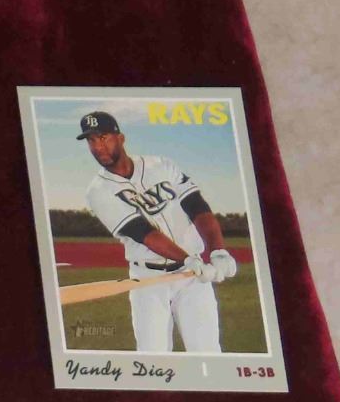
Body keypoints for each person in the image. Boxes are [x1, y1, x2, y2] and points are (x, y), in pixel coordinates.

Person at [78, 111, 238, 352]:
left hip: (192, 278)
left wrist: (218, 250)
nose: (97, 147)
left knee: (208, 352)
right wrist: (186, 258)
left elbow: (197, 207)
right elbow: (144, 233)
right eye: (91, 140)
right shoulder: (98, 192)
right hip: (147, 281)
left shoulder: (161, 165)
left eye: (103, 137)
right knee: (154, 359)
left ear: (120, 138)